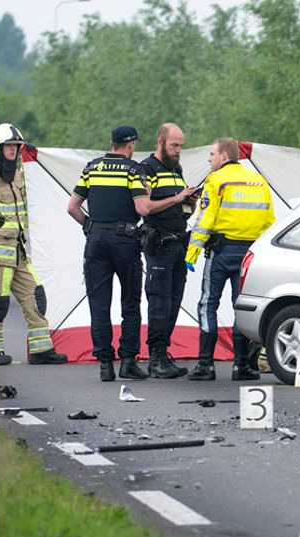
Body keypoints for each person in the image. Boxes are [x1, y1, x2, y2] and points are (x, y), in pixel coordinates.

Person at [67, 125, 197, 381]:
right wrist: (176, 198)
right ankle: (128, 362)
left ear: (112, 142)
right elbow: (143, 208)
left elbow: (72, 206)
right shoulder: (133, 169)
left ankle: (105, 365)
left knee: (99, 305)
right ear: (131, 145)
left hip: (96, 241)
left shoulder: (92, 167)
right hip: (124, 241)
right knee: (130, 303)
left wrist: (90, 226)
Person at [184, 137, 275, 381]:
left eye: (212, 154)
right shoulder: (259, 182)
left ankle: (206, 366)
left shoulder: (216, 180)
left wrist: (191, 253)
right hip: (249, 257)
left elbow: (205, 221)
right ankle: (241, 366)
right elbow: (269, 222)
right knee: (242, 308)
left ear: (224, 156)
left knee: (207, 304)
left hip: (221, 253)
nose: (209, 159)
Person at [0, 123, 68, 366]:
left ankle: (40, 350)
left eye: (16, 146)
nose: (13, 150)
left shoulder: (17, 171)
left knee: (36, 296)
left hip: (18, 251)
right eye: (9, 146)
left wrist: (35, 154)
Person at [140, 123, 198, 378]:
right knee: (159, 301)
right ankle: (156, 357)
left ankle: (164, 352)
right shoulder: (146, 168)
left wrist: (190, 202)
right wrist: (176, 198)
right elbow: (145, 207)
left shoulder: (177, 169)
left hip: (179, 242)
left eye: (181, 146)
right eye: (174, 145)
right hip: (159, 243)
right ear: (160, 141)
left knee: (174, 301)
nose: (178, 151)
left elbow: (182, 210)